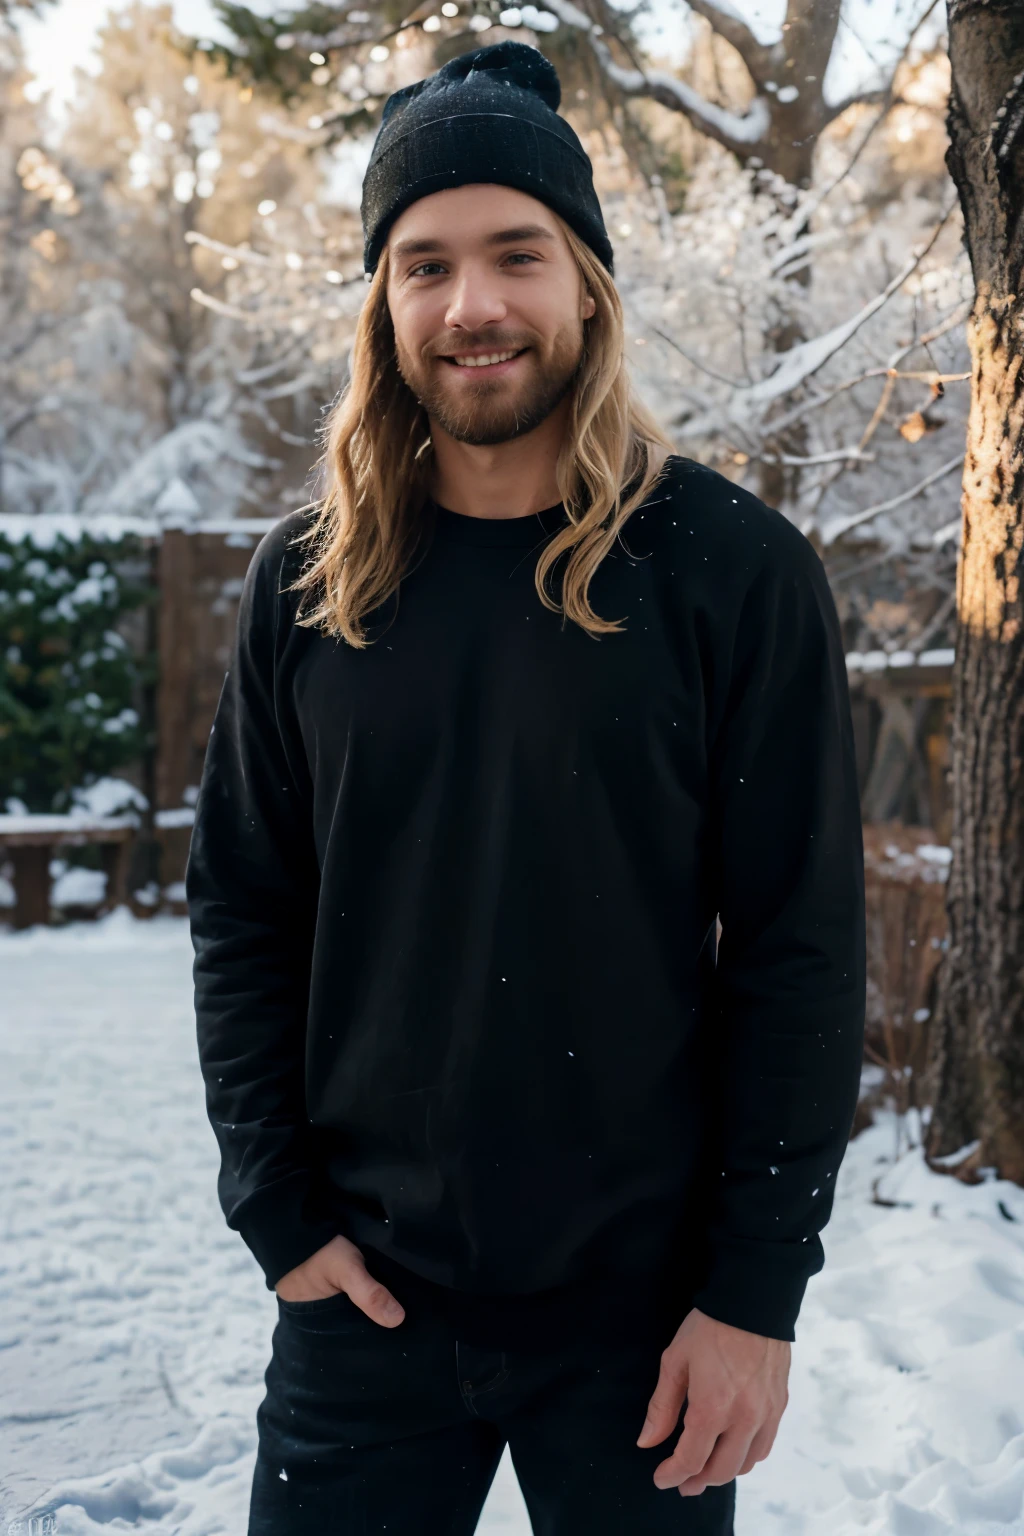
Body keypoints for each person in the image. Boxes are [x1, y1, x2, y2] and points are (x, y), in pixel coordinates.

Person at [187, 39, 866, 1536]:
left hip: (646, 1326)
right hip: (361, 1312)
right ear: (383, 302)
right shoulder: (306, 587)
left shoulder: (728, 573)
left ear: (590, 285)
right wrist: (278, 1212)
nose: (472, 304)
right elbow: (244, 910)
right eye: (423, 264)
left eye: (517, 254)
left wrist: (756, 1292)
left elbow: (801, 948)